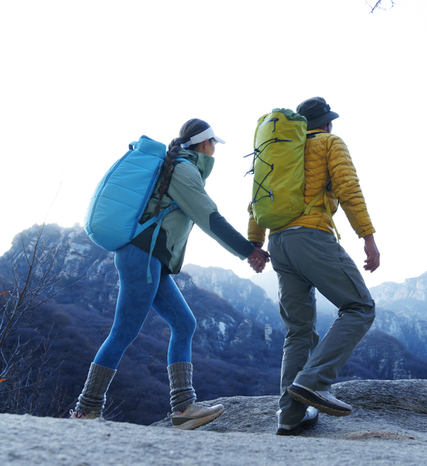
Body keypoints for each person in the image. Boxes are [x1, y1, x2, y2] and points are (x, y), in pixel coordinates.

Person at [72, 119, 269, 430]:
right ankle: (86, 410)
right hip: (142, 256)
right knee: (123, 332)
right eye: (214, 143)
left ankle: (183, 407)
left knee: (184, 323)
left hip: (150, 260)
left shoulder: (179, 167)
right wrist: (250, 252)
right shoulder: (185, 171)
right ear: (205, 144)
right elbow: (211, 219)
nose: (215, 149)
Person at [248, 97, 380, 436]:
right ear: (327, 123)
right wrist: (367, 236)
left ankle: (289, 416)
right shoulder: (329, 143)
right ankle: (314, 381)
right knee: (360, 308)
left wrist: (255, 245)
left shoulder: (278, 154)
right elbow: (349, 188)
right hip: (311, 236)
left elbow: (257, 200)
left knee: (299, 330)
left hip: (279, 243)